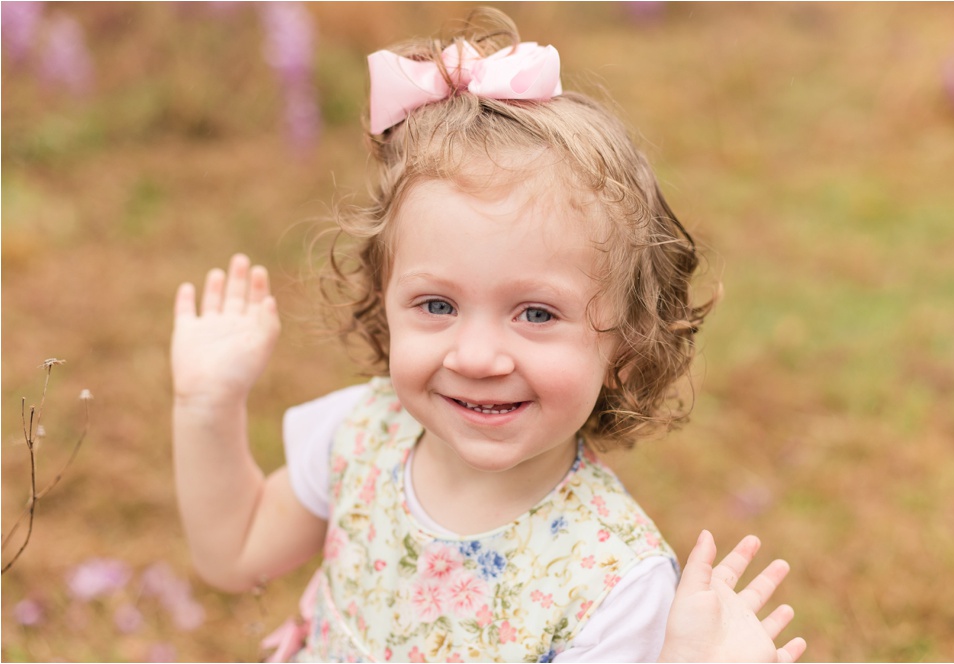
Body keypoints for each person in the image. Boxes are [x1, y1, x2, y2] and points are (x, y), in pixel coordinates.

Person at [170, 8, 806, 662]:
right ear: (382, 301)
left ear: (627, 344)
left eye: (535, 314)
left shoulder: (609, 581)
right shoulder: (362, 437)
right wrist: (206, 408)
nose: (475, 357)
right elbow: (235, 551)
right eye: (436, 304)